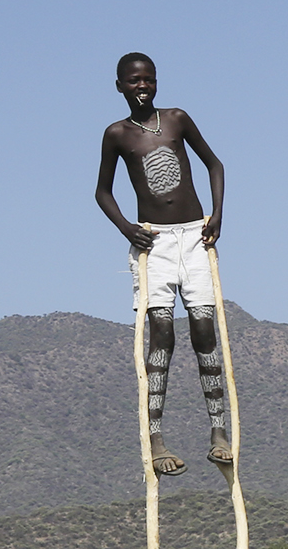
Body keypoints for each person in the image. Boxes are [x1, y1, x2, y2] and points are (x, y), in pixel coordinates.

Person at [95, 53, 231, 475]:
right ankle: (156, 437)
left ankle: (219, 430)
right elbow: (102, 191)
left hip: (194, 236)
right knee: (163, 335)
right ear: (119, 86)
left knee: (205, 327)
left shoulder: (176, 119)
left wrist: (217, 215)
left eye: (148, 80)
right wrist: (126, 229)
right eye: (134, 82)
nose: (142, 87)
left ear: (156, 83)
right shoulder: (117, 134)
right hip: (153, 241)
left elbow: (214, 163)